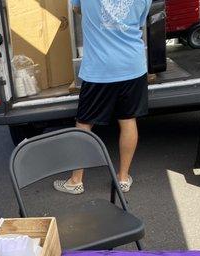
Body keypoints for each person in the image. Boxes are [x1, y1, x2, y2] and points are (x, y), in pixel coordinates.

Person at [54, 0, 152, 195]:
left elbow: (76, 9)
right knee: (127, 120)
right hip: (132, 65)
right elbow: (140, 20)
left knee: (84, 124)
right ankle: (123, 178)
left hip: (100, 68)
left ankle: (76, 181)